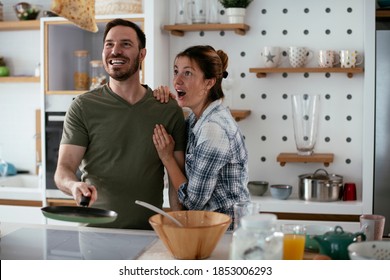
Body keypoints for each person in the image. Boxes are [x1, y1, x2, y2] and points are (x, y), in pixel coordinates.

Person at [54, 19, 186, 230]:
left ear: (142, 54)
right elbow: (64, 169)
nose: (115, 51)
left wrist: (181, 231)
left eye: (126, 44)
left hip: (149, 233)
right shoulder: (82, 107)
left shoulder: (167, 109)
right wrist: (73, 185)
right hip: (95, 234)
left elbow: (176, 183)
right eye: (109, 44)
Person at [153, 45, 250, 228]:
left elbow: (193, 201)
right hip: (213, 229)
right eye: (176, 72)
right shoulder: (196, 120)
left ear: (209, 82)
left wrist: (167, 158)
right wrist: (164, 103)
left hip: (227, 234)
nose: (177, 81)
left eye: (187, 73)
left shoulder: (213, 129)